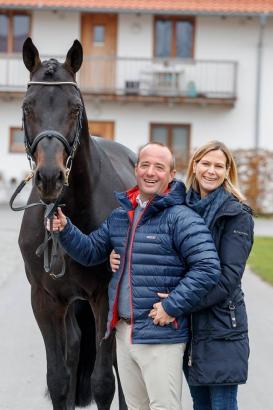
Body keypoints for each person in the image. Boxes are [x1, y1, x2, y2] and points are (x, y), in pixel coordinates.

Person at [48, 142, 221, 410]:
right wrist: (65, 229)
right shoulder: (121, 216)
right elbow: (91, 251)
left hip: (160, 337)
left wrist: (172, 305)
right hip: (125, 334)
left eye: (159, 167)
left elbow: (208, 267)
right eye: (145, 165)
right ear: (136, 169)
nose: (151, 172)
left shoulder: (182, 218)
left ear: (171, 175)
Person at [111, 140, 254, 410]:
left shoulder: (236, 214)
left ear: (227, 172)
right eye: (206, 163)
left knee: (221, 404)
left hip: (220, 325)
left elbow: (226, 279)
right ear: (195, 166)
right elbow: (158, 249)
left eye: (219, 166)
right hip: (189, 326)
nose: (211, 171)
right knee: (199, 404)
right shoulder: (181, 207)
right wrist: (120, 254)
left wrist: (176, 304)